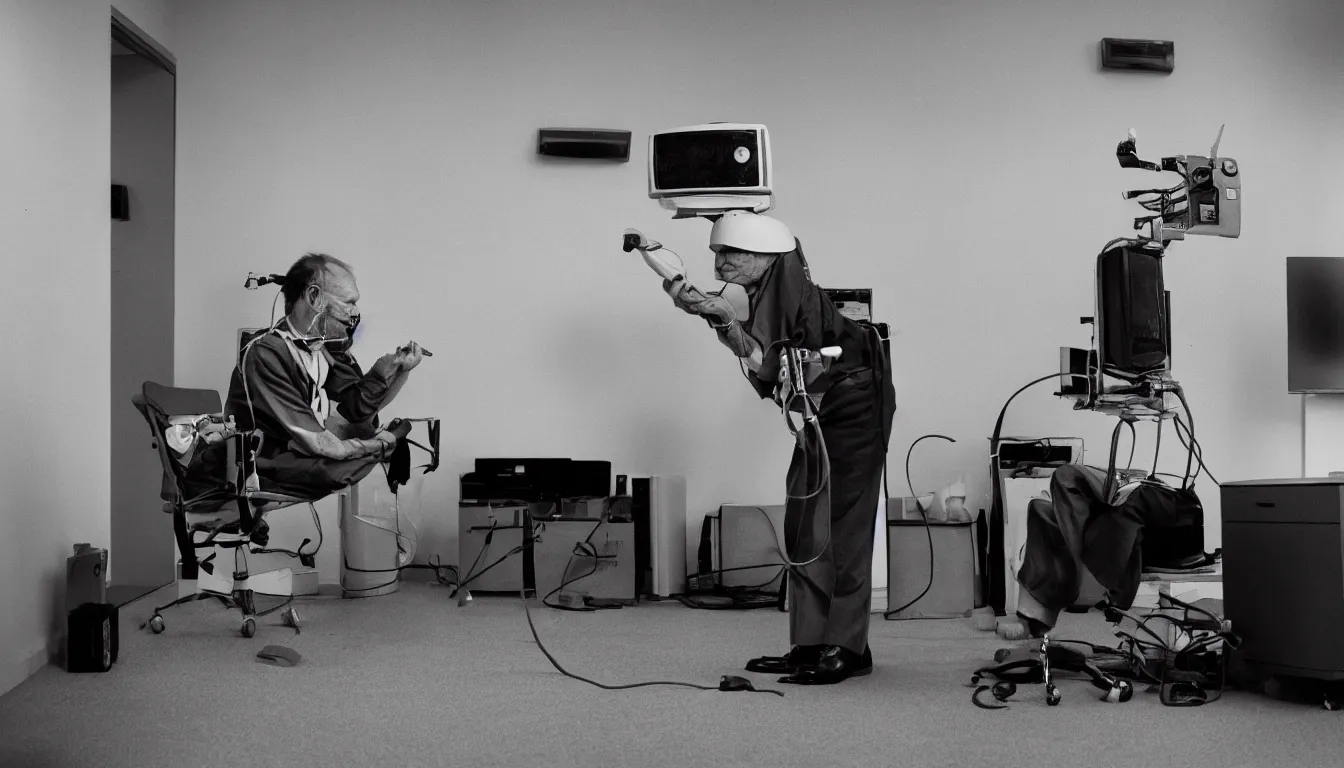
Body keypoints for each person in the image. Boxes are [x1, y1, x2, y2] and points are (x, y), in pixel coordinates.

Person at [663, 211, 896, 685]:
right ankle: (810, 641)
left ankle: (848, 647)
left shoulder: (796, 298)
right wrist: (721, 322)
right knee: (805, 522)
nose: (720, 263)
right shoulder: (761, 294)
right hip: (818, 409)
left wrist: (727, 322)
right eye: (716, 253)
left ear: (765, 254)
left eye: (730, 253)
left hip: (854, 405)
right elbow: (768, 366)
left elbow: (782, 366)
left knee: (845, 528)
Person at [222, 252, 425, 499]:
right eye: (349, 302)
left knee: (363, 450)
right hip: (267, 459)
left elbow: (358, 410)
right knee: (340, 468)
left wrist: (397, 369)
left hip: (308, 450)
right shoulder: (267, 353)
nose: (355, 312)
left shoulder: (326, 347)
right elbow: (323, 445)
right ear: (314, 297)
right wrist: (382, 443)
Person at [1014, 462, 1202, 638]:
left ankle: (1039, 614)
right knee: (1039, 508)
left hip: (1131, 518)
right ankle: (1036, 615)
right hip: (1110, 509)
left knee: (1065, 477)